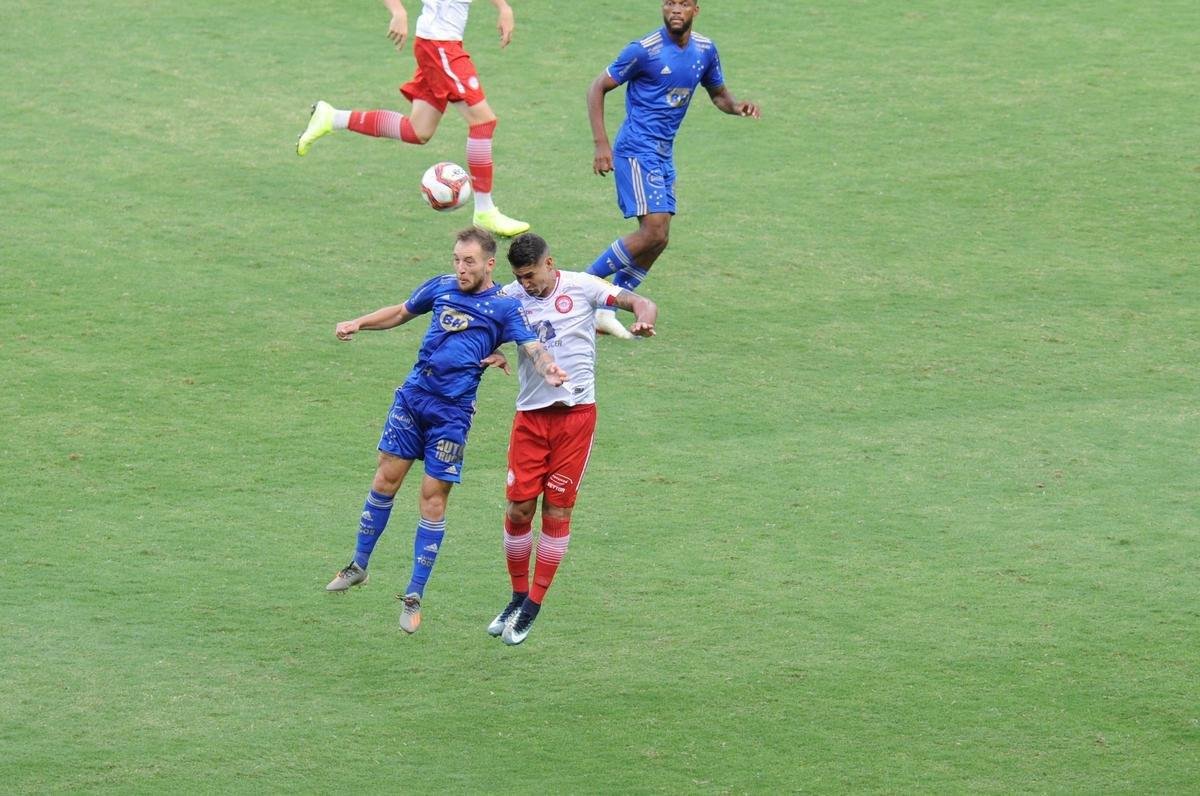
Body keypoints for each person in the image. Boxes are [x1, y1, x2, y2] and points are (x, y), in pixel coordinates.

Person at [324, 227, 568, 636]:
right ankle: (359, 566)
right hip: (413, 399)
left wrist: (549, 369)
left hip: (451, 416)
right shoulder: (440, 287)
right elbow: (402, 311)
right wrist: (359, 322)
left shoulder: (504, 307)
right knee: (385, 480)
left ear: (489, 264)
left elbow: (531, 345)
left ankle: (415, 594)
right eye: (457, 259)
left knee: (432, 499)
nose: (460, 268)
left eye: (469, 261)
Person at [483, 232, 657, 644]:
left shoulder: (581, 286)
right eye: (519, 276)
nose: (526, 284)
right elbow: (483, 326)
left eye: (531, 275)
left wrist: (644, 317)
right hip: (530, 420)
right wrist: (490, 350)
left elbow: (637, 301)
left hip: (575, 420)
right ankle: (516, 594)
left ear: (549, 263)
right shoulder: (511, 296)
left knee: (557, 513)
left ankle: (533, 605)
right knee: (520, 509)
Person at [585, 0, 760, 338]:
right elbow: (597, 87)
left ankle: (607, 307)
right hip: (636, 150)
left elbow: (718, 94)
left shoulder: (705, 50)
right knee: (651, 231)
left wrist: (737, 107)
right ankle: (583, 285)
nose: (675, 10)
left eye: (683, 3)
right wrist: (600, 145)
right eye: (669, 3)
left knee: (660, 239)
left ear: (696, 9)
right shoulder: (643, 50)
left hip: (664, 154)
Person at [297, 0, 531, 237]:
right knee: (483, 122)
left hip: (440, 44)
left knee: (418, 130)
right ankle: (485, 211)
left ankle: (331, 117)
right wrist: (397, 10)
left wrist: (503, 8)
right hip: (440, 45)